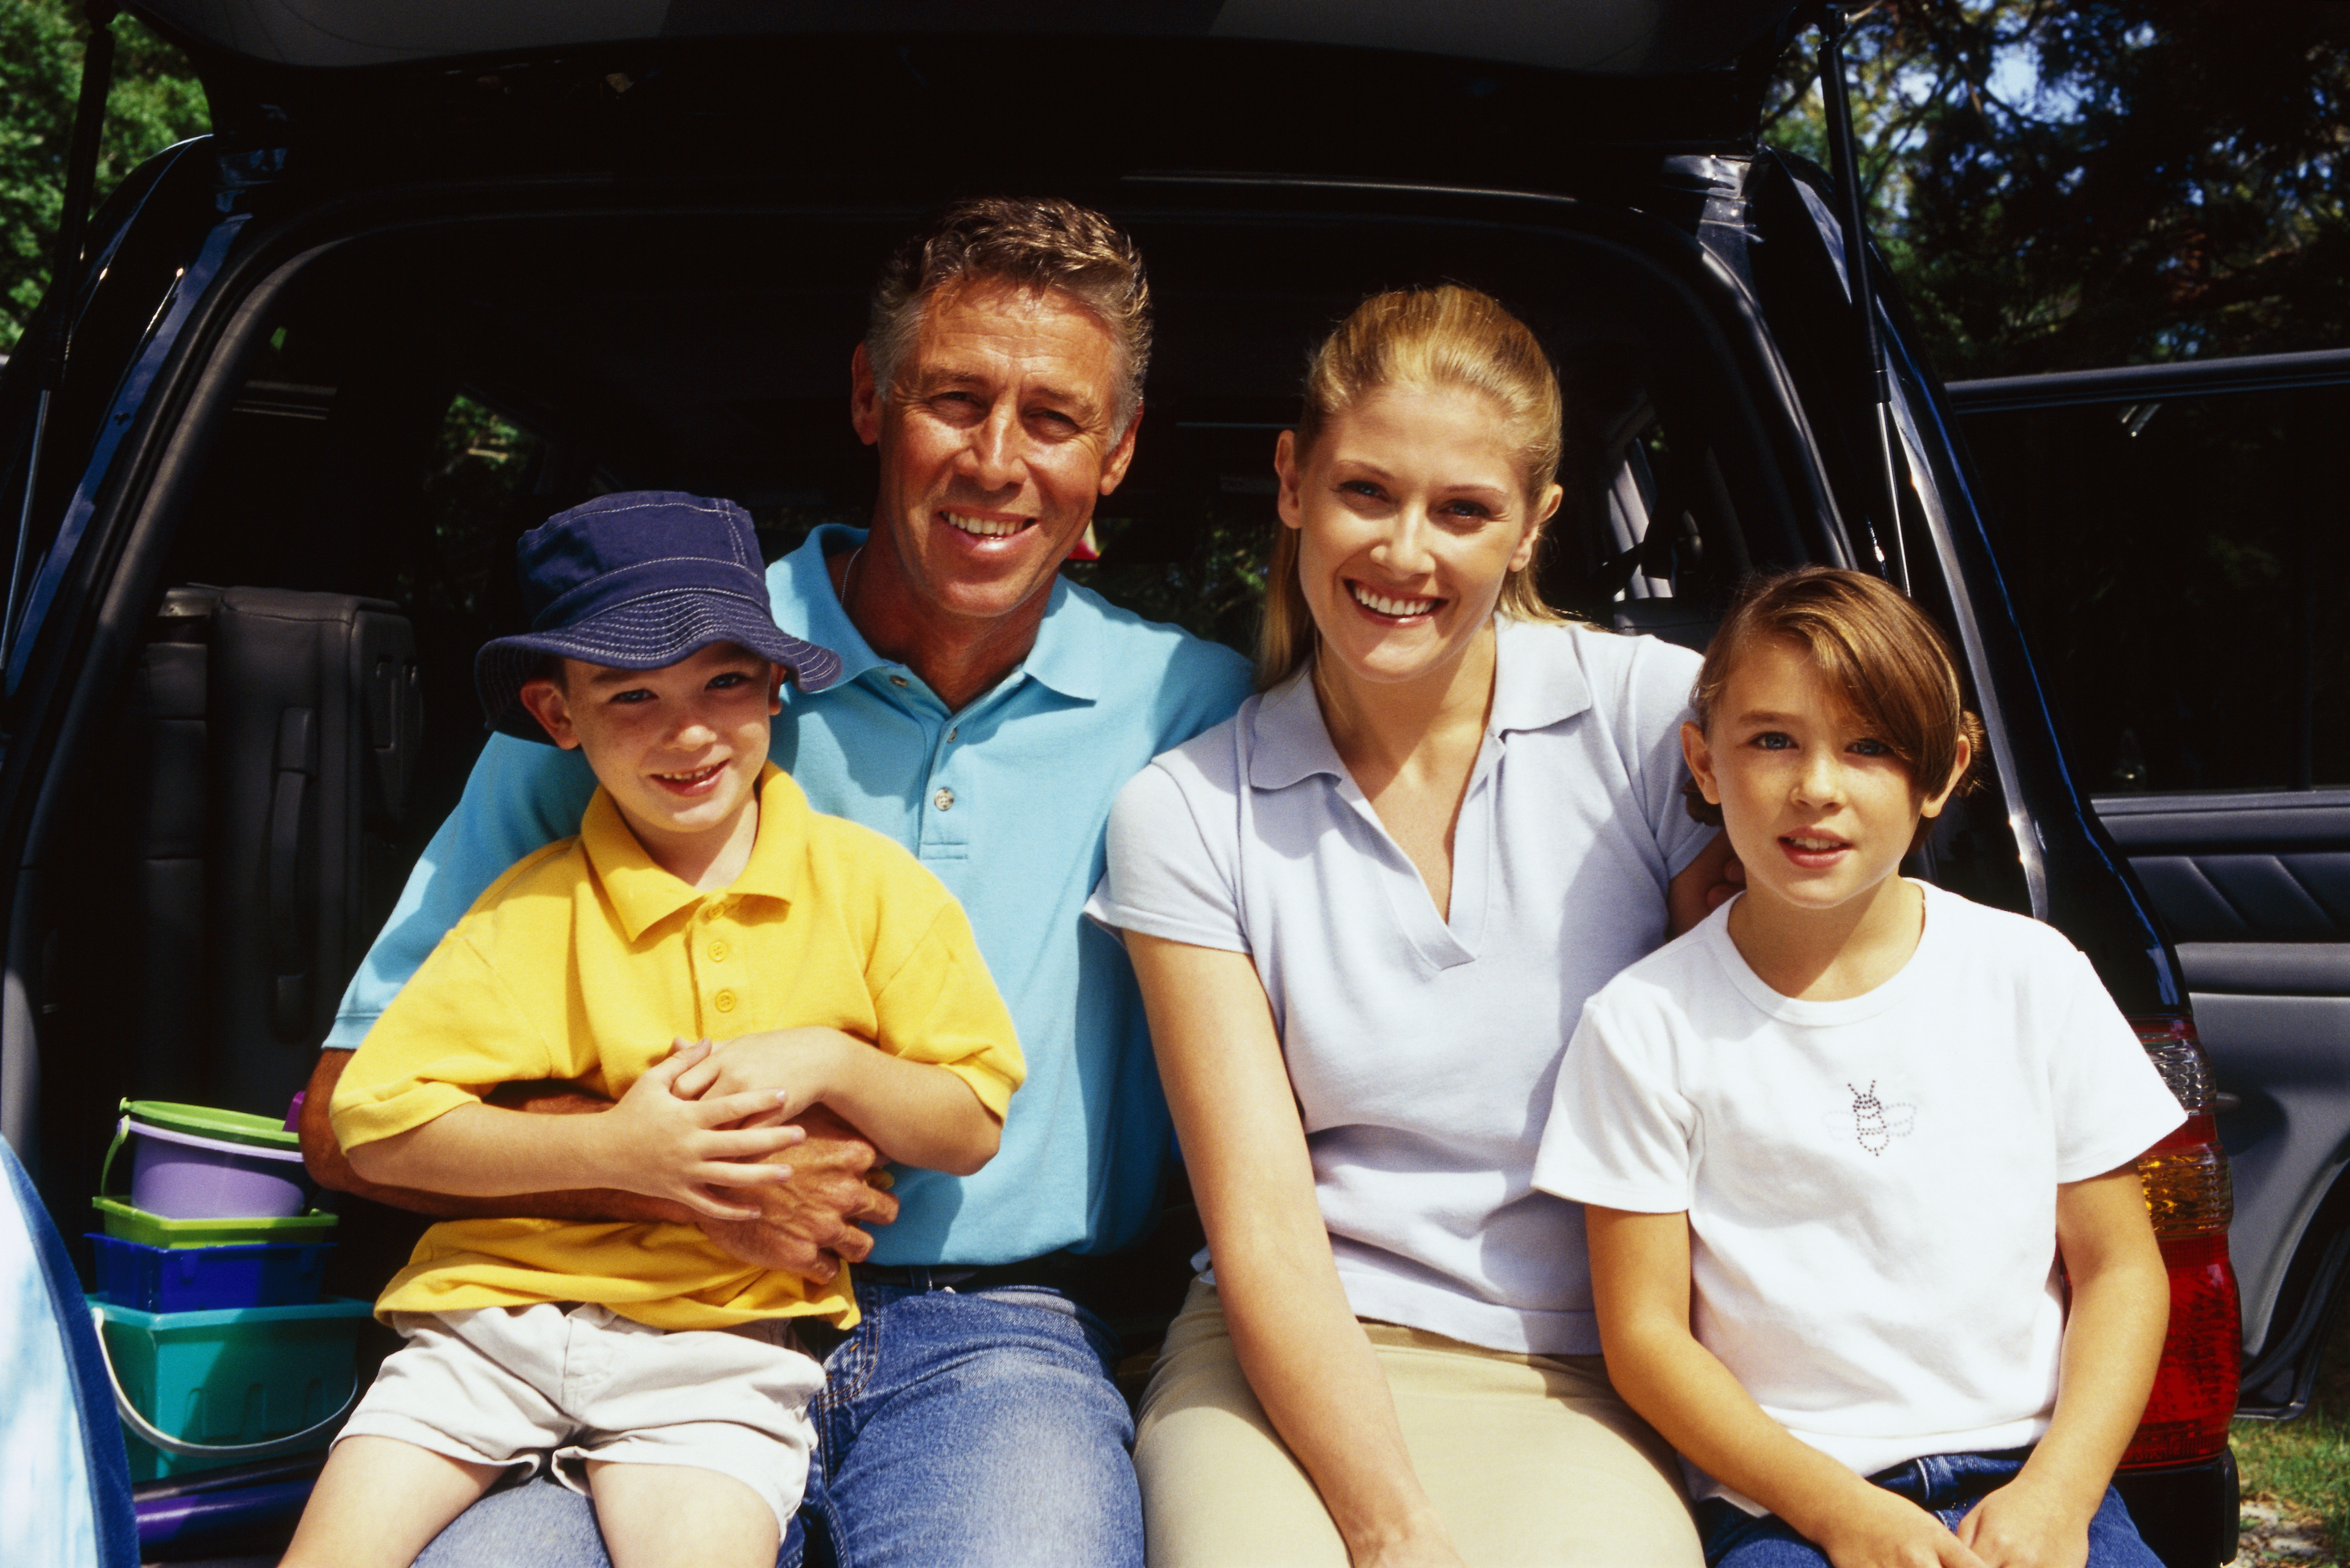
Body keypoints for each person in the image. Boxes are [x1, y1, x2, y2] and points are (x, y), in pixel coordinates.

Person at [296, 198, 1254, 1567]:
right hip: (605, 1312)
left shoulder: (1192, 709)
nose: (996, 460)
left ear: (1117, 453)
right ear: (871, 399)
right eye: (954, 399)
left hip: (995, 1332)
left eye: (1052, 419)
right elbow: (342, 1120)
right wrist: (676, 1180)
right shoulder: (652, 673)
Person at [1087, 285, 1727, 1567]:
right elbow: (1262, 1225)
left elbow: (1768, 1057)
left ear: (1534, 527)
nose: (1403, 553)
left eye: (1465, 511)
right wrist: (1391, 1534)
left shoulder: (1656, 723)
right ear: (1291, 483)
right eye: (1366, 493)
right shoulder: (1186, 809)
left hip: (1585, 1363)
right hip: (1287, 1353)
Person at [281, 492, 1024, 1568]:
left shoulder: (869, 893)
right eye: (631, 693)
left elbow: (968, 1123)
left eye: (722, 680)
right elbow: (375, 1122)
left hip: (722, 1351)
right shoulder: (529, 910)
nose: (685, 731)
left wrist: (827, 1058)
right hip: (491, 1327)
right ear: (557, 716)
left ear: (776, 684)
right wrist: (618, 1152)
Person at [1535, 566, 2181, 1568]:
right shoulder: (1643, 1026)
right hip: (1785, 1508)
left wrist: (2059, 1492)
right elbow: (1646, 1340)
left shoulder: (2029, 977)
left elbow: (2119, 1269)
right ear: (1702, 765)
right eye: (1770, 740)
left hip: (2033, 1482)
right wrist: (1840, 1515)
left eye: (1869, 746)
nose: (1817, 787)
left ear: (1942, 771)